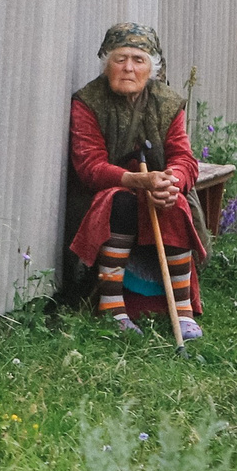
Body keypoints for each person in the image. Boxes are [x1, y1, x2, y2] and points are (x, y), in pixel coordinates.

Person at [66, 23, 205, 341]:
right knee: (122, 200)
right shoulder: (88, 102)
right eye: (120, 58)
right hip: (100, 203)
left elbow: (184, 159)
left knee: (172, 199)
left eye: (138, 60)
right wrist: (136, 180)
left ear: (151, 68)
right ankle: (112, 308)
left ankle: (181, 312)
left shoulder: (167, 104)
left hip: (153, 193)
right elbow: (89, 168)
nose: (128, 67)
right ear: (106, 64)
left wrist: (172, 181)